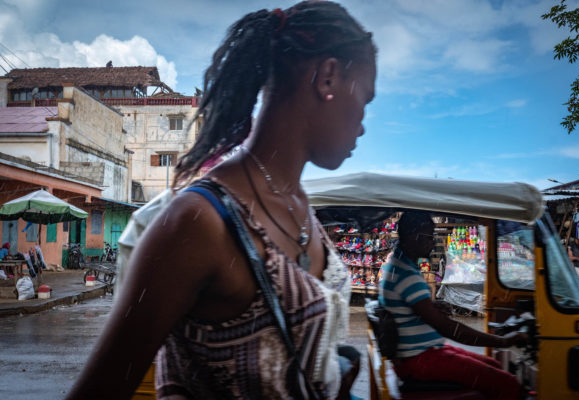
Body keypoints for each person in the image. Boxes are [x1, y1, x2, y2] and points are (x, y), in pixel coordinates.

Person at [67, 2, 376, 399]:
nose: (364, 125)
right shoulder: (198, 223)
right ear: (327, 77)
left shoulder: (300, 208)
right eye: (365, 100)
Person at [379, 211, 527, 400]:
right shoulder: (406, 274)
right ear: (412, 236)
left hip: (425, 351)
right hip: (421, 359)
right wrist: (503, 341)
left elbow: (411, 306)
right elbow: (447, 328)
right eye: (429, 236)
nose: (432, 242)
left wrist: (431, 307)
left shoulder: (398, 263)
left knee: (495, 366)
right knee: (507, 383)